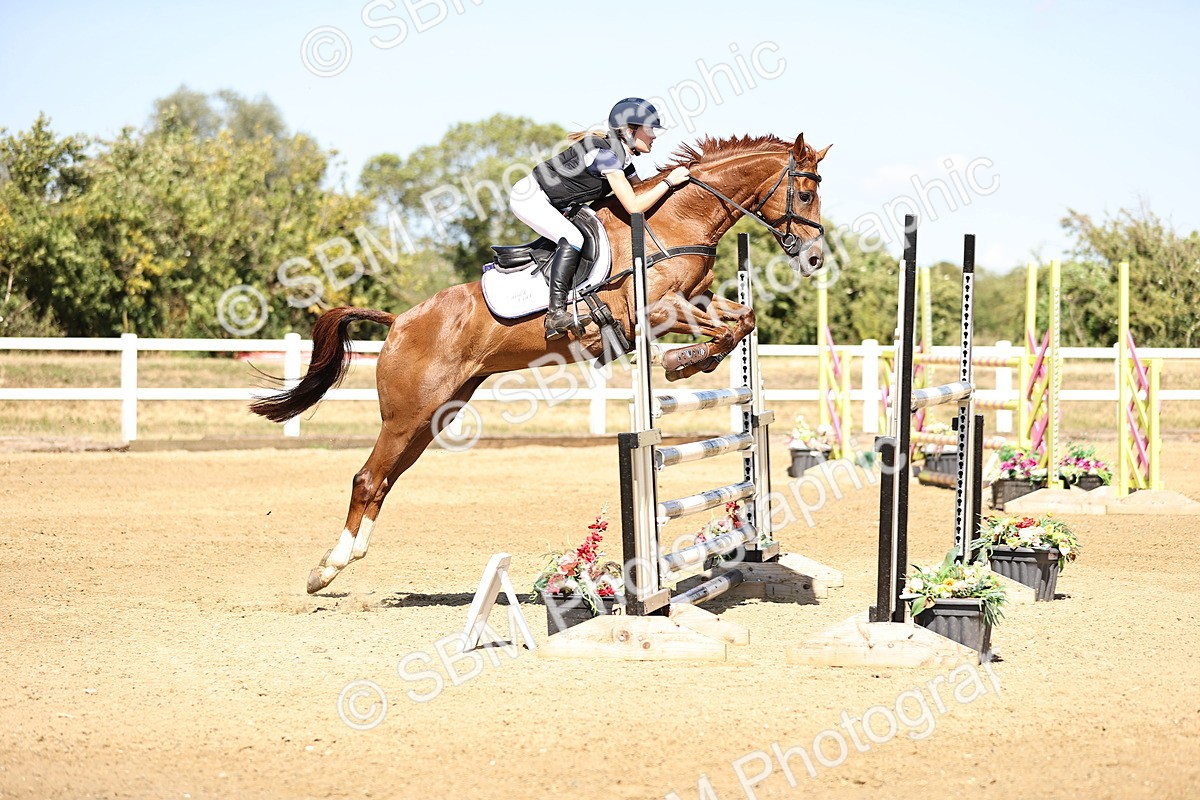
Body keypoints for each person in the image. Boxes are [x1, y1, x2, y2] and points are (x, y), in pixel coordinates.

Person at [509, 97, 691, 339]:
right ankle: (555, 315)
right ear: (629, 131)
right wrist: (669, 182)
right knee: (573, 237)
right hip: (530, 197)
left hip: (552, 202)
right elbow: (635, 206)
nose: (654, 136)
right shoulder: (605, 155)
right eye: (649, 130)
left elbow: (641, 190)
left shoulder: (622, 158)